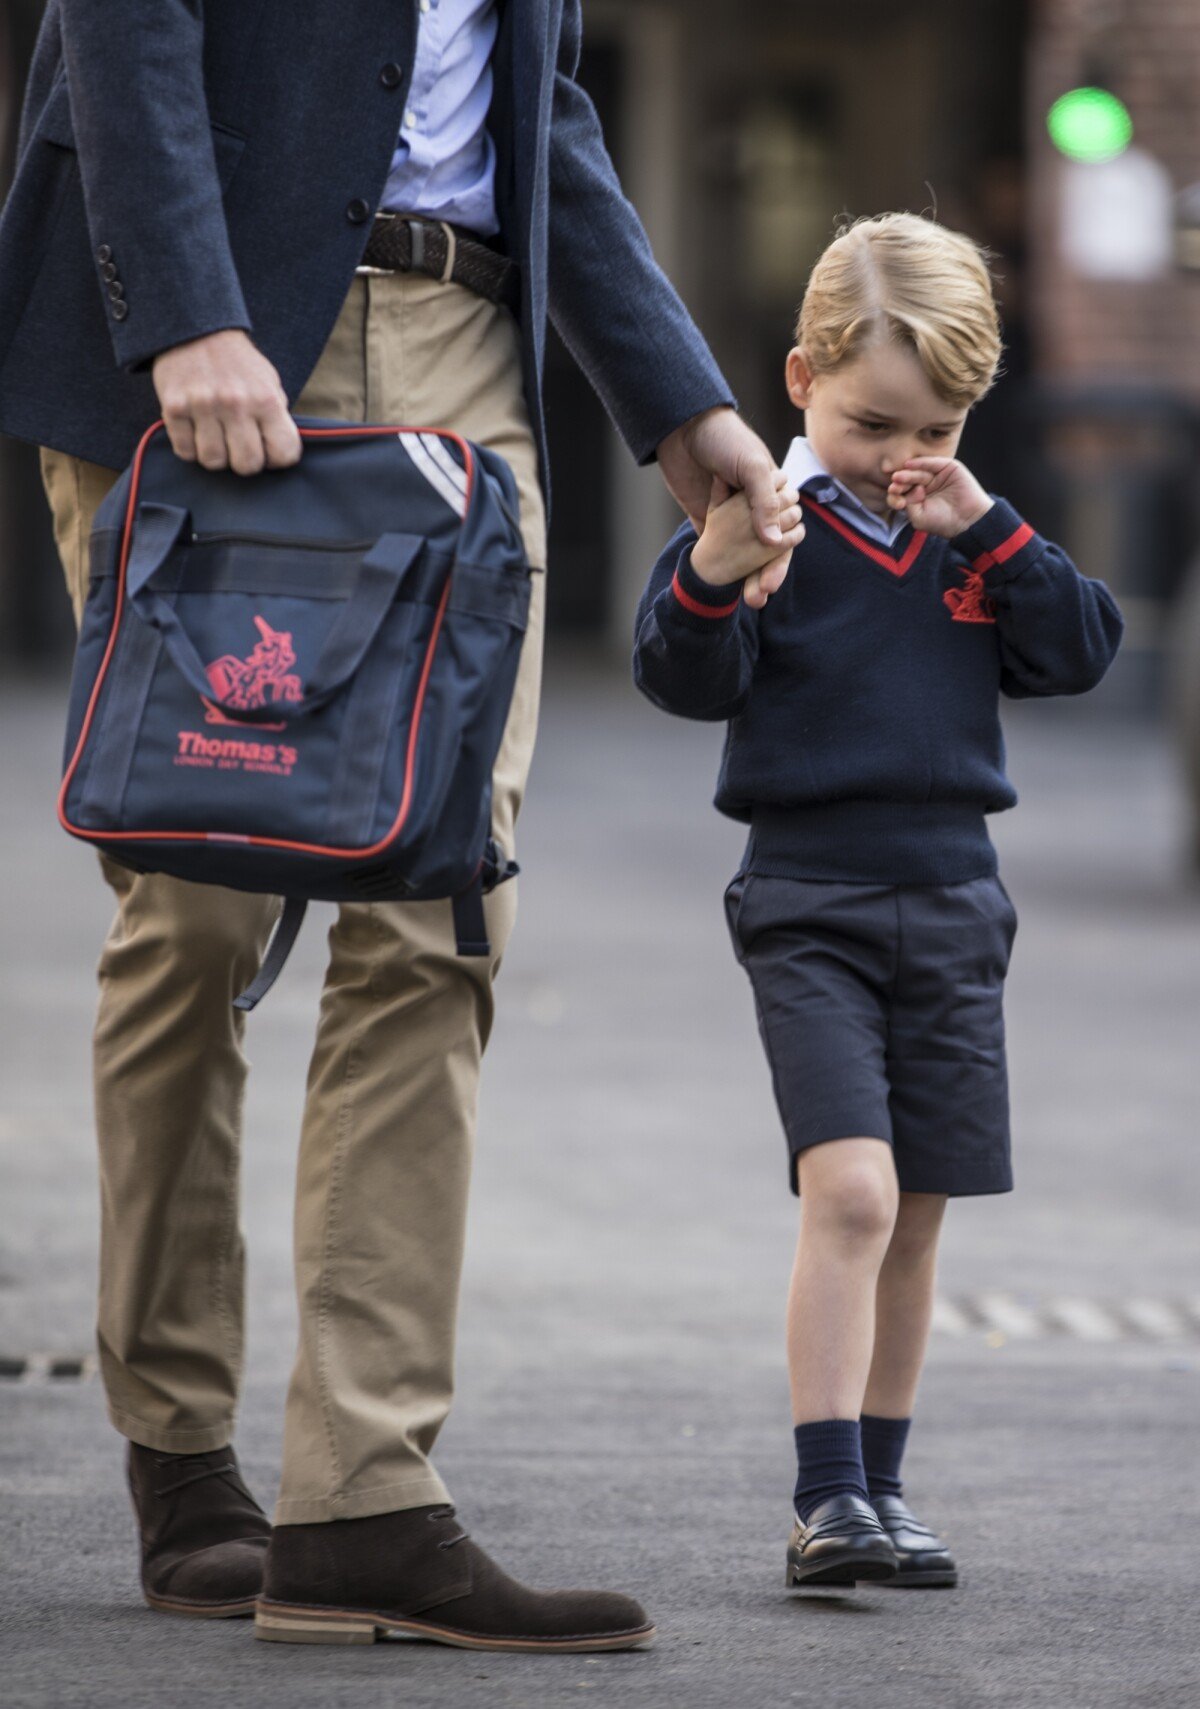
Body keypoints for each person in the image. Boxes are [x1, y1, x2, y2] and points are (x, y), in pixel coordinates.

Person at [0, 0, 802, 1652]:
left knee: (446, 908)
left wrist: (677, 403)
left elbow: (543, 106)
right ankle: (180, 1452)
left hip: (463, 353)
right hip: (205, 344)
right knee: (195, 912)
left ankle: (360, 1497)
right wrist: (188, 310)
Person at [632, 213, 1123, 1591]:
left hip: (959, 899)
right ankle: (824, 1494)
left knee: (918, 1211)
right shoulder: (770, 526)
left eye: (944, 428)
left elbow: (1082, 649)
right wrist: (718, 571)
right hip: (809, 897)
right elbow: (678, 674)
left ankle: (886, 1489)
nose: (910, 455)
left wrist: (990, 522)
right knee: (850, 1190)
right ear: (801, 380)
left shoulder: (968, 530)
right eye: (875, 422)